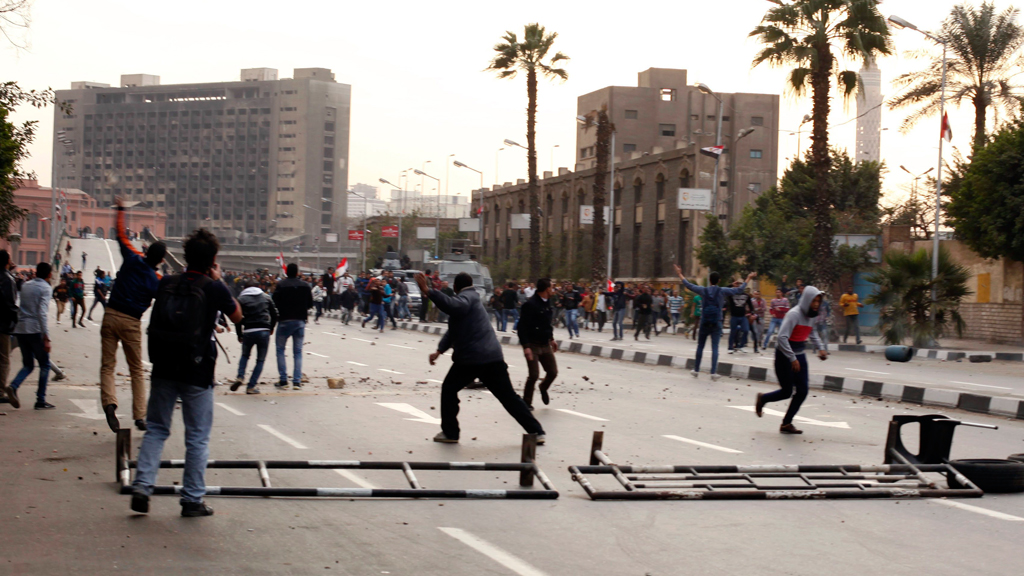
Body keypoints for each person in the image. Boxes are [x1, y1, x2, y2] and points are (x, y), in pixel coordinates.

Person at [131, 228, 242, 517]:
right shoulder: (213, 287)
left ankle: (142, 486)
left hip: (164, 366)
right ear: (213, 259)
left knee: (156, 428)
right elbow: (238, 315)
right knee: (197, 437)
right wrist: (218, 280)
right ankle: (191, 499)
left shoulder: (167, 283)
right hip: (197, 371)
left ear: (186, 256)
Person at [414, 272, 545, 444]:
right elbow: (454, 331)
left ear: (455, 287)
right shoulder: (472, 299)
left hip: (472, 358)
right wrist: (439, 351)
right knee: (508, 397)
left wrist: (429, 291)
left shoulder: (467, 298)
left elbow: (453, 306)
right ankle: (536, 432)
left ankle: (450, 433)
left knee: (448, 389)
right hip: (491, 357)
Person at [100, 199, 167, 432]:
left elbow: (120, 235)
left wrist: (120, 210)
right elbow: (165, 300)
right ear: (161, 260)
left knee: (107, 366)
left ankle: (109, 403)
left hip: (110, 315)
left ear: (146, 251)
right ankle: (139, 416)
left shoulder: (131, 257)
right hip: (131, 322)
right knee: (136, 369)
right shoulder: (156, 280)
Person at [755, 286, 828, 434]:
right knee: (787, 391)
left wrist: (820, 347)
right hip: (784, 355)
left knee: (802, 391)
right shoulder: (794, 314)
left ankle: (786, 423)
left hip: (799, 354)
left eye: (818, 301)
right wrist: (792, 357)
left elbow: (812, 332)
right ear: (807, 300)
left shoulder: (812, 316)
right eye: (813, 301)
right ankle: (763, 399)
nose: (816, 304)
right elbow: (782, 338)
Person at [676, 264, 756, 381]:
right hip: (716, 323)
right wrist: (748, 278)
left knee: (700, 346)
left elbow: (689, 285)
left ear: (709, 280)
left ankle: (696, 370)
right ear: (719, 281)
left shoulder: (703, 290)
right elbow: (739, 290)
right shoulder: (722, 291)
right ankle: (713, 372)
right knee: (715, 348)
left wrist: (679, 273)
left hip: (704, 322)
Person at [4, 262, 54, 410]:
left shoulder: (26, 285)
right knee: (44, 365)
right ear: (49, 274)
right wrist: (46, 336)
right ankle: (40, 399)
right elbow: (42, 313)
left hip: (21, 329)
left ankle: (13, 386)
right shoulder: (45, 288)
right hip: (35, 330)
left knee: (28, 364)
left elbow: (18, 304)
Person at [518, 278, 558, 411]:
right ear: (547, 289)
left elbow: (547, 324)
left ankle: (543, 387)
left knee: (552, 372)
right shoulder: (530, 305)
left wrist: (551, 339)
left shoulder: (548, 303)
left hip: (545, 344)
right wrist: (526, 347)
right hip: (533, 345)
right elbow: (522, 327)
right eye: (552, 287)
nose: (553, 289)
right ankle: (526, 402)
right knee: (534, 375)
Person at [231, 280, 278, 394]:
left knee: (245, 356)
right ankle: (251, 386)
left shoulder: (241, 299)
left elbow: (237, 319)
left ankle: (240, 376)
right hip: (264, 330)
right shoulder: (266, 297)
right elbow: (275, 314)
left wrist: (239, 334)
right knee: (260, 360)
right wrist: (271, 327)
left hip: (248, 330)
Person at [272, 263, 312, 390]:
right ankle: (296, 381)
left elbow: (274, 302)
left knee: (280, 350)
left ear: (286, 272)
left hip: (284, 320)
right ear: (297, 272)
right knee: (298, 352)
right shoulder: (305, 286)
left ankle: (283, 380)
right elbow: (310, 303)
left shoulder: (281, 285)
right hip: (300, 321)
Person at [0, 251, 18, 402]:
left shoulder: (7, 277)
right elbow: (10, 304)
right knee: (4, 359)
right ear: (7, 261)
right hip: (3, 325)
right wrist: (18, 320)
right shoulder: (8, 280)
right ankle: (0, 391)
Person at [726, 283, 754, 353]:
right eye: (738, 286)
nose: (739, 287)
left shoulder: (746, 296)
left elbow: (750, 305)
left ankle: (741, 346)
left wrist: (752, 313)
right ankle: (730, 347)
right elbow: (726, 289)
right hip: (734, 316)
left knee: (746, 330)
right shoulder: (732, 294)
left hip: (742, 316)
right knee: (733, 332)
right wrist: (732, 285)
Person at [748, 290, 767, 354]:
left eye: (758, 294)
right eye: (755, 294)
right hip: (754, 317)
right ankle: (755, 342)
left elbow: (764, 308)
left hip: (761, 317)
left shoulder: (763, 301)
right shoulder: (751, 301)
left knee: (761, 331)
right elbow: (751, 309)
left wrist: (760, 309)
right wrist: (757, 309)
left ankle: (759, 340)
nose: (756, 295)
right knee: (755, 331)